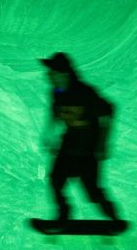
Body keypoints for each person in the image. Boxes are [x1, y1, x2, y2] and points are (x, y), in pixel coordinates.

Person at [39, 52, 122, 227]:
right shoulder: (57, 92)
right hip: (69, 141)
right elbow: (54, 115)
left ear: (64, 74)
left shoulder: (85, 92)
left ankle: (113, 217)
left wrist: (103, 143)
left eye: (52, 73)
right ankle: (64, 215)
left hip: (88, 146)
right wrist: (50, 135)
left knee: (91, 190)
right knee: (55, 179)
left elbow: (108, 112)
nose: (49, 76)